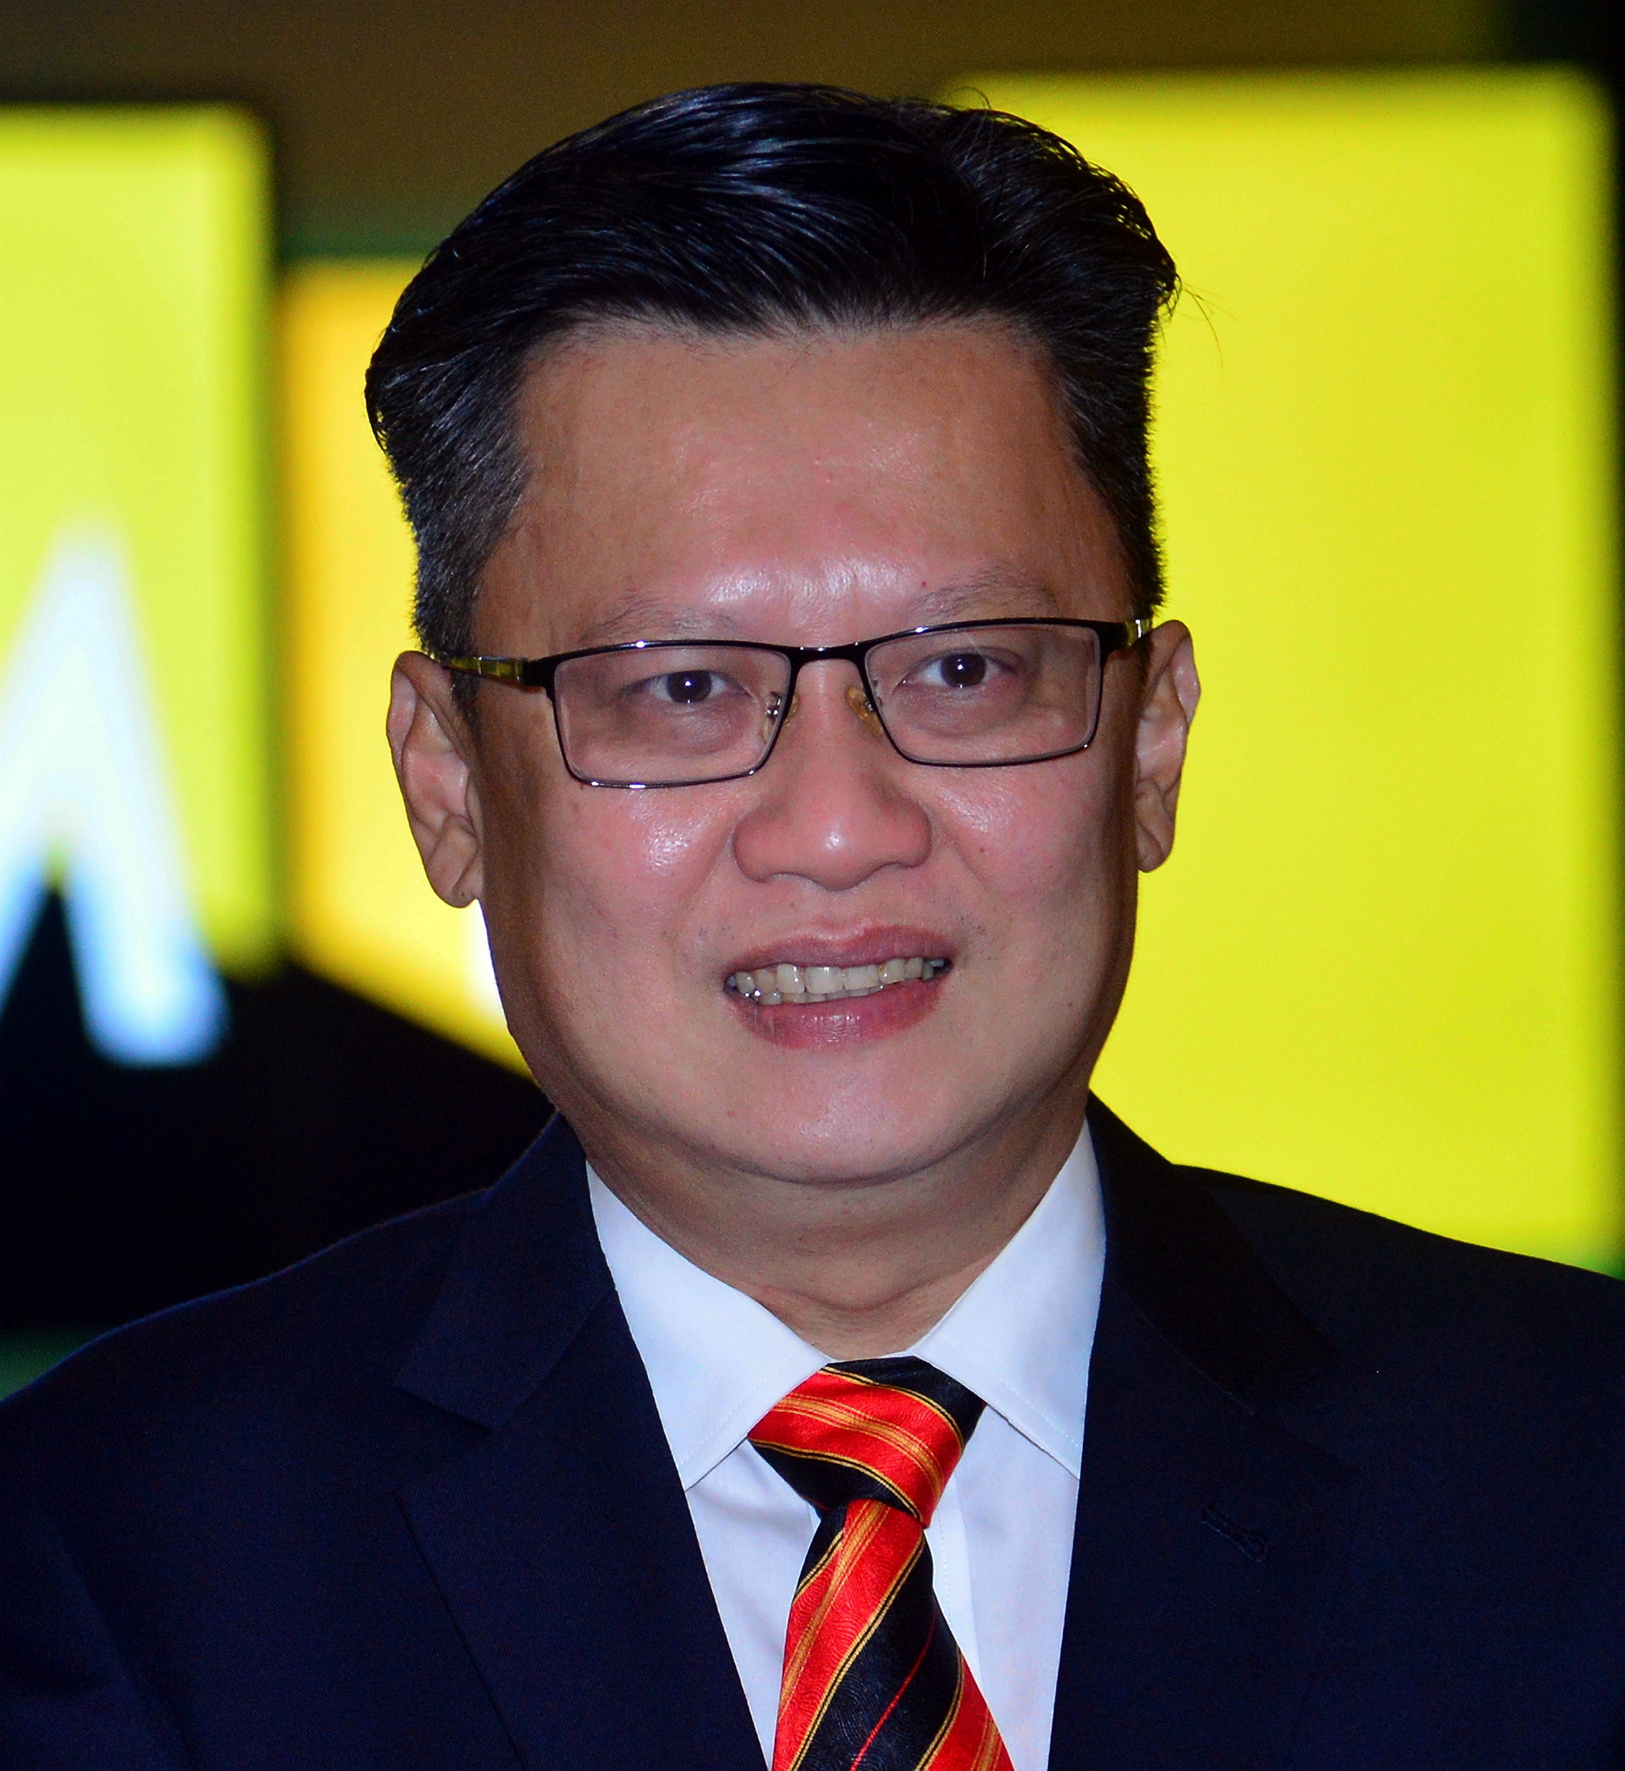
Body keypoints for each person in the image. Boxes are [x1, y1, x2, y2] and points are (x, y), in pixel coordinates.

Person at [2, 81, 1623, 1771]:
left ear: (1150, 744)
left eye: (963, 670)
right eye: (680, 689)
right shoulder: (109, 1558)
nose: (839, 831)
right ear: (448, 786)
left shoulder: (1574, 1477)